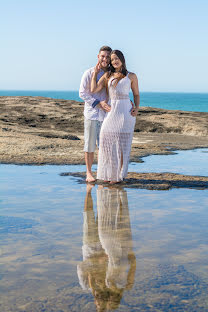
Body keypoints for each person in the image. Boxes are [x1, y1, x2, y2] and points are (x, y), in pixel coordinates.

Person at [91, 50, 140, 184]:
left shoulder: (131, 76)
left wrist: (136, 107)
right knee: (105, 139)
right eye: (112, 59)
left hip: (126, 113)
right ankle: (107, 174)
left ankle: (118, 176)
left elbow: (136, 94)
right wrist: (95, 72)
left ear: (122, 59)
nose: (114, 61)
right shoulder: (108, 75)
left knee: (122, 145)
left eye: (116, 58)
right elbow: (94, 89)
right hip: (111, 112)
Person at [79, 46, 112, 183]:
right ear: (98, 56)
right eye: (102, 56)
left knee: (105, 146)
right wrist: (99, 104)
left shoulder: (111, 74)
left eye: (107, 57)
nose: (105, 59)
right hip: (92, 115)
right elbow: (82, 93)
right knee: (89, 145)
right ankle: (88, 173)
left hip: (106, 116)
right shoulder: (89, 72)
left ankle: (103, 172)